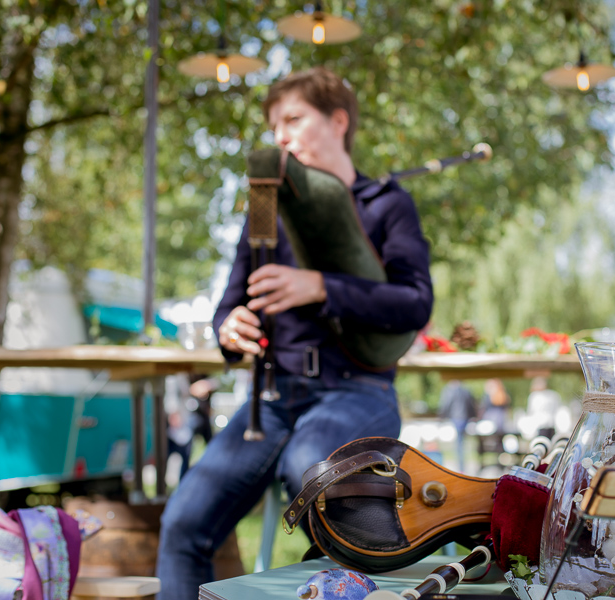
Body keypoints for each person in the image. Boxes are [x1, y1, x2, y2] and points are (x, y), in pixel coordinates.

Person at [156, 67, 434, 599]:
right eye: (273, 125)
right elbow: (229, 304)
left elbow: (415, 303)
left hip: (358, 389)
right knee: (182, 525)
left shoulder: (385, 203)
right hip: (270, 400)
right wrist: (228, 327)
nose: (279, 136)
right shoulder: (266, 208)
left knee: (308, 470)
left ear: (337, 121)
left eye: (293, 119)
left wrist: (320, 286)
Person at [438, 379, 478, 472]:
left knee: (459, 445)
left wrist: (442, 417)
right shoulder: (465, 390)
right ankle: (462, 467)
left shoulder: (450, 390)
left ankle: (461, 468)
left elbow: (446, 404)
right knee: (462, 444)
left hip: (456, 418)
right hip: (464, 419)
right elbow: (471, 404)